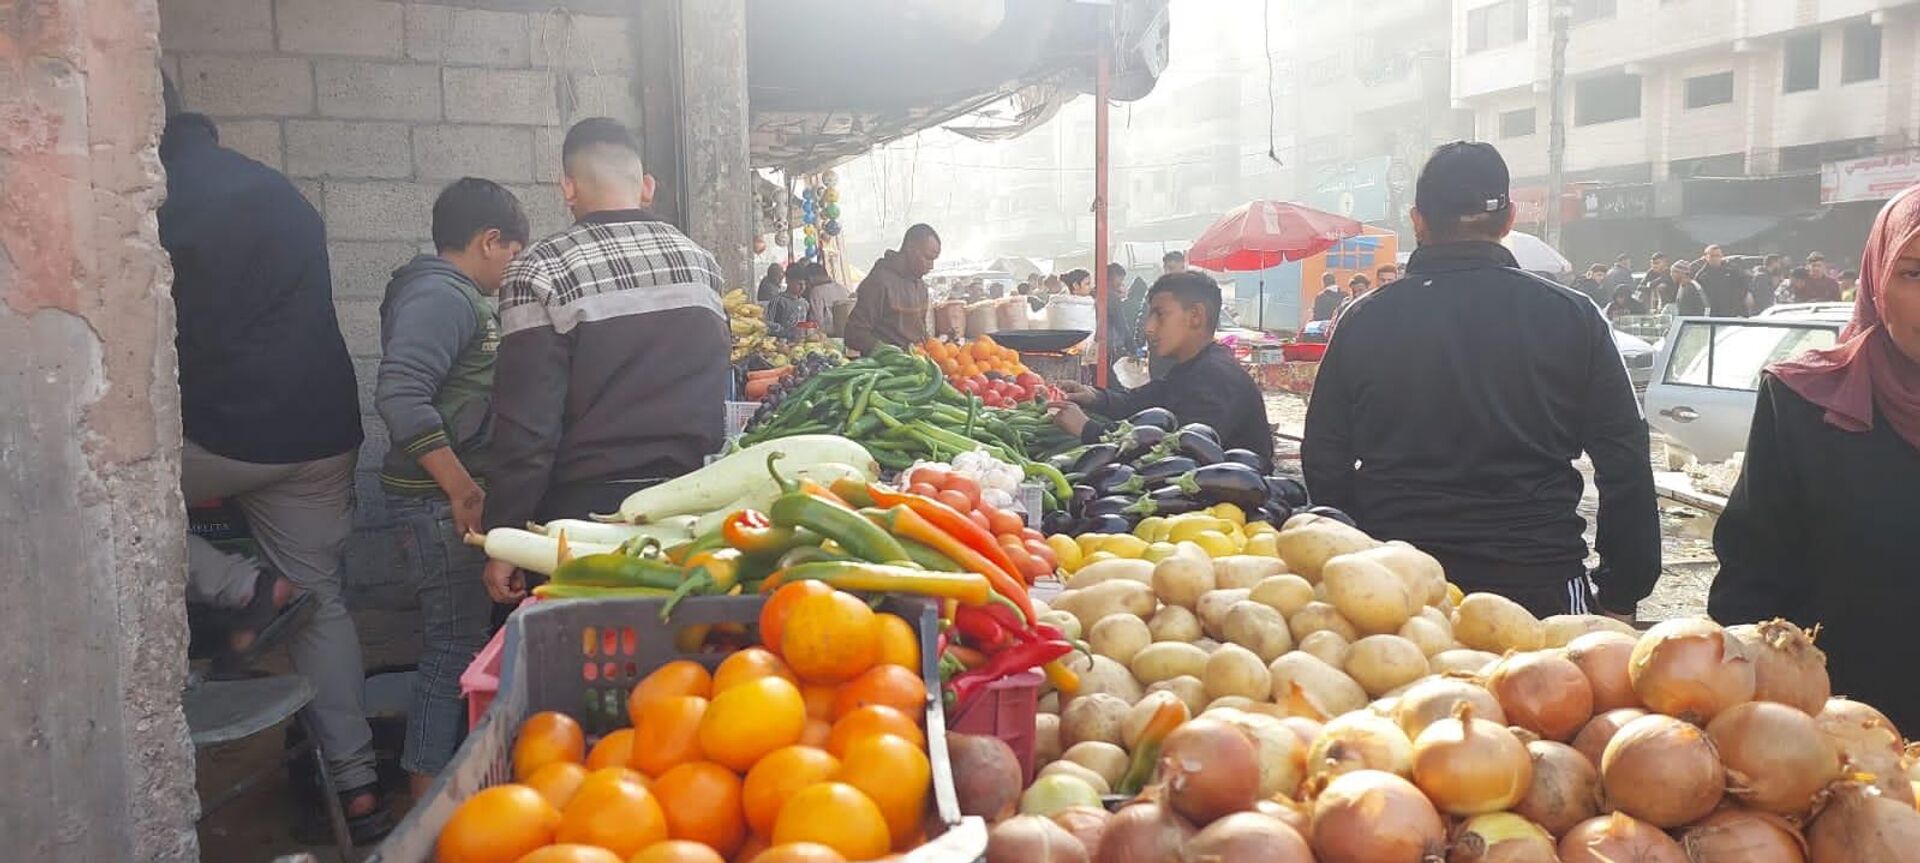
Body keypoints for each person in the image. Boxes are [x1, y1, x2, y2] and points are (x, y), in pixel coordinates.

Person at [1302, 141, 1659, 618]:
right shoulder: (1571, 316)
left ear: (1418, 221)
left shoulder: (1364, 319)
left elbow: (1325, 456)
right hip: (1539, 586)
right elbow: (1625, 456)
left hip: (1395, 594)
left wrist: (1358, 552)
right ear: (1510, 218)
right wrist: (1622, 589)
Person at [159, 106, 389, 837]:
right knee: (321, 604)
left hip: (221, 433)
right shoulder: (277, 191)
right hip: (321, 433)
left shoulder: (150, 199)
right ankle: (356, 787)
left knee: (98, 498)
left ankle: (245, 588)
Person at [482, 118, 730, 602]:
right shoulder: (701, 263)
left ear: (568, 188)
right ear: (647, 187)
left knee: (588, 661)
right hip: (693, 511)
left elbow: (527, 427)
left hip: (583, 520)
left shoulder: (541, 269)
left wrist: (505, 533)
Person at [1708, 187, 1920, 732]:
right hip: (1839, 739)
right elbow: (1752, 577)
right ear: (1876, 281)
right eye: (1914, 274)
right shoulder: (1804, 401)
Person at [374, 178, 529, 795]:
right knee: (451, 651)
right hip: (435, 502)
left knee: (462, 646)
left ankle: (447, 794)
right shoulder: (442, 297)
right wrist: (463, 490)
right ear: (489, 241)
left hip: (443, 498)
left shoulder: (450, 294)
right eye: (513, 254)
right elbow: (399, 395)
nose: (512, 269)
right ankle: (424, 810)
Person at [1050, 272, 1273, 468]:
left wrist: (1088, 429)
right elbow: (1140, 402)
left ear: (1196, 316)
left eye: (1160, 314)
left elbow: (1177, 455)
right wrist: (1094, 396)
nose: (1148, 327)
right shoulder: (1192, 368)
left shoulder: (1217, 376)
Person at [844, 224, 941, 354]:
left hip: (916, 364)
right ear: (910, 248)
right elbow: (854, 333)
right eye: (928, 258)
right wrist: (890, 352)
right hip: (885, 370)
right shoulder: (879, 282)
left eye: (934, 260)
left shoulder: (921, 287)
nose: (931, 266)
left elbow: (920, 332)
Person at [1694, 245, 1750, 317]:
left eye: (1718, 255)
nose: (1715, 258)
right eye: (1712, 256)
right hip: (1714, 316)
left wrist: (1740, 301)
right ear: (1706, 257)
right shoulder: (1701, 276)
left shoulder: (1732, 270)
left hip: (1734, 313)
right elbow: (1698, 297)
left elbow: (1744, 284)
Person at [803, 262, 851, 336]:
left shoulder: (816, 291)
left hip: (829, 336)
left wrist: (800, 325)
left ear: (811, 279)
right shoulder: (842, 288)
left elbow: (817, 321)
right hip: (848, 333)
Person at [766, 267, 814, 338]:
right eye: (799, 284)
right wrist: (788, 332)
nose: (802, 287)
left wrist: (810, 328)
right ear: (788, 281)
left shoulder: (805, 303)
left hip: (800, 345)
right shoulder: (778, 301)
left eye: (805, 284)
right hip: (781, 343)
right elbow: (768, 324)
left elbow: (806, 323)